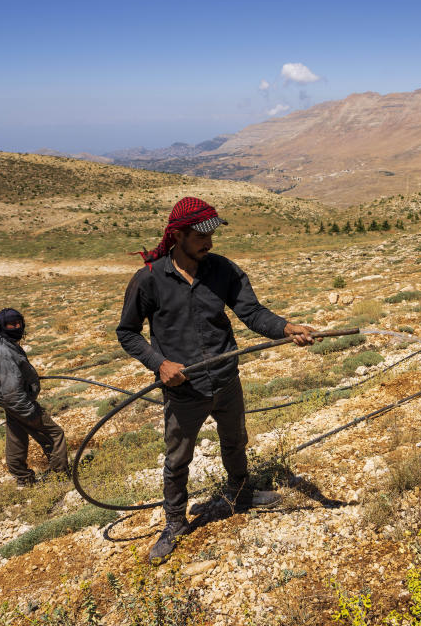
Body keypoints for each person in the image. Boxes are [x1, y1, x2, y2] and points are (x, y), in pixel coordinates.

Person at [117, 196, 316, 562]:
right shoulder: (148, 280)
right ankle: (175, 522)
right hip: (183, 389)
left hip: (225, 379)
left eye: (211, 235)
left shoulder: (223, 270)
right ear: (178, 235)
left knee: (235, 441)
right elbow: (127, 333)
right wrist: (159, 364)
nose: (209, 244)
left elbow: (252, 313)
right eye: (200, 237)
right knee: (178, 460)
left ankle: (239, 495)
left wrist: (285, 328)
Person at [0, 308, 68, 487]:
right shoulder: (2, 351)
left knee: (17, 438)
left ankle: (23, 478)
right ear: (2, 326)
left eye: (18, 323)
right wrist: (31, 412)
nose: (16, 327)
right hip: (18, 403)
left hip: (11, 403)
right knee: (54, 434)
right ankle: (60, 476)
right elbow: (12, 389)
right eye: (11, 324)